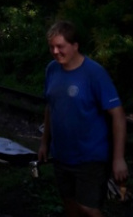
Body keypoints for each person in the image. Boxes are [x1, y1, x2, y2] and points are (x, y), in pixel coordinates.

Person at [37, 21, 128, 217]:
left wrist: (119, 158)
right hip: (62, 154)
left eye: (60, 46)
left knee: (88, 208)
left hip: (90, 156)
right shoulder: (52, 69)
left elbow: (118, 115)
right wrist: (44, 142)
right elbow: (50, 106)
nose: (55, 51)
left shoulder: (94, 73)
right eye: (51, 46)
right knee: (69, 204)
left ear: (75, 45)